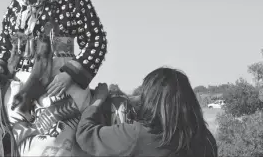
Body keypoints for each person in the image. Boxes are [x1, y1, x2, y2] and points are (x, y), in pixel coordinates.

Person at [76, 67, 218, 157]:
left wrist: (97, 101)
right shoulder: (205, 139)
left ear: (152, 101)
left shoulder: (138, 136)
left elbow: (86, 135)